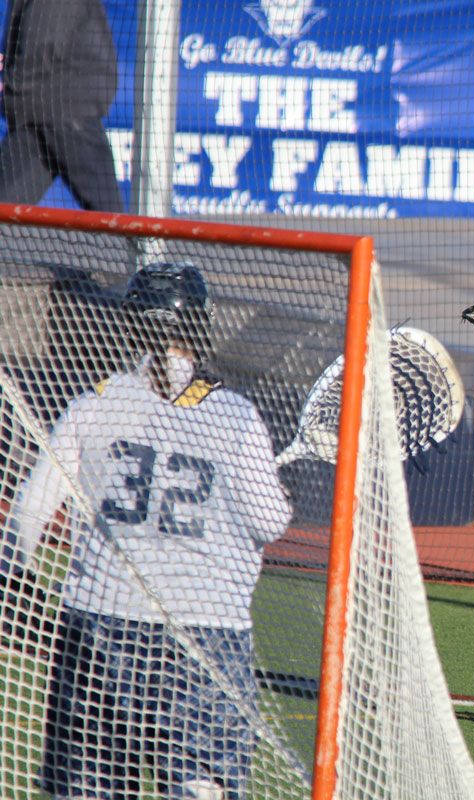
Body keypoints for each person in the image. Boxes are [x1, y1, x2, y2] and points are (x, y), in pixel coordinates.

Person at [2, 263, 291, 799]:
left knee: (88, 785)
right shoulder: (236, 414)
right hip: (203, 629)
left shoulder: (97, 400)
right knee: (203, 781)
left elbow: (29, 512)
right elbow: (269, 521)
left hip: (97, 621)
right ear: (200, 325)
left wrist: (18, 583)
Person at [0, 0, 125, 211]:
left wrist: (9, 84)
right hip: (41, 113)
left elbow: (43, 45)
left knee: (111, 220)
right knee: (4, 205)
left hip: (67, 114)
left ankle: (134, 245)